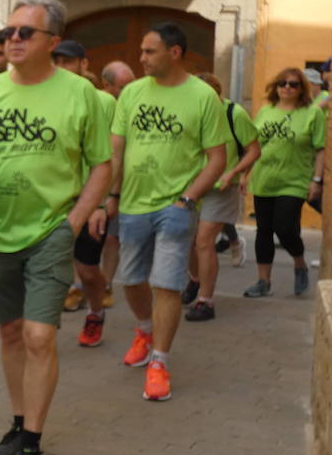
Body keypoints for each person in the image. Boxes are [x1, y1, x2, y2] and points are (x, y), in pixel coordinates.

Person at [0, 0, 111, 455]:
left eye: (27, 31)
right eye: (10, 30)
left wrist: (71, 223)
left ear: (53, 41)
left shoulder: (82, 95)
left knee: (39, 336)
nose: (14, 38)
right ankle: (18, 419)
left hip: (50, 230)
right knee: (9, 333)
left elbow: (101, 166)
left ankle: (31, 444)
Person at [96, 24, 226, 403]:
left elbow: (217, 159)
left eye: (150, 51)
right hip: (133, 205)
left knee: (166, 285)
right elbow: (116, 152)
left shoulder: (203, 97)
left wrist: (187, 199)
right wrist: (110, 198)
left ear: (175, 53)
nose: (142, 58)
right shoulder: (132, 93)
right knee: (131, 281)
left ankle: (160, 361)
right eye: (141, 51)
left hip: (176, 206)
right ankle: (144, 330)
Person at [51, 40, 117, 348]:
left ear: (83, 65)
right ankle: (41, 329)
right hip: (51, 202)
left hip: (89, 200)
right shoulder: (44, 98)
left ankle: (95, 312)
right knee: (48, 268)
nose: (62, 68)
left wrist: (102, 202)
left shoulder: (101, 102)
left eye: (68, 62)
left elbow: (107, 156)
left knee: (88, 270)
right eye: (57, 62)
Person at [243, 67, 326, 298]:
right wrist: (243, 173)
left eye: (293, 84)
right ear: (275, 87)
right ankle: (263, 281)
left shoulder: (312, 113)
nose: (287, 88)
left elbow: (321, 149)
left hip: (295, 181)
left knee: (285, 228)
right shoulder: (266, 112)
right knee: (264, 231)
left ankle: (299, 263)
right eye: (283, 83)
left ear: (302, 89)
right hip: (264, 179)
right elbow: (254, 146)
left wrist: (316, 180)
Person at [183, 73, 260, 321]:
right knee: (187, 241)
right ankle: (195, 279)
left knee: (204, 241)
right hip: (192, 185)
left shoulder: (233, 114)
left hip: (221, 186)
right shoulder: (189, 112)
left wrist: (235, 172)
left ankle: (206, 302)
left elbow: (254, 150)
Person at [98, 60, 137, 306]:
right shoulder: (103, 104)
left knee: (112, 238)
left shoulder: (131, 105)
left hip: (118, 184)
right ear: (107, 85)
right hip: (93, 181)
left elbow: (123, 155)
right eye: (123, 87)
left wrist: (115, 193)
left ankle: (106, 285)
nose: (129, 91)